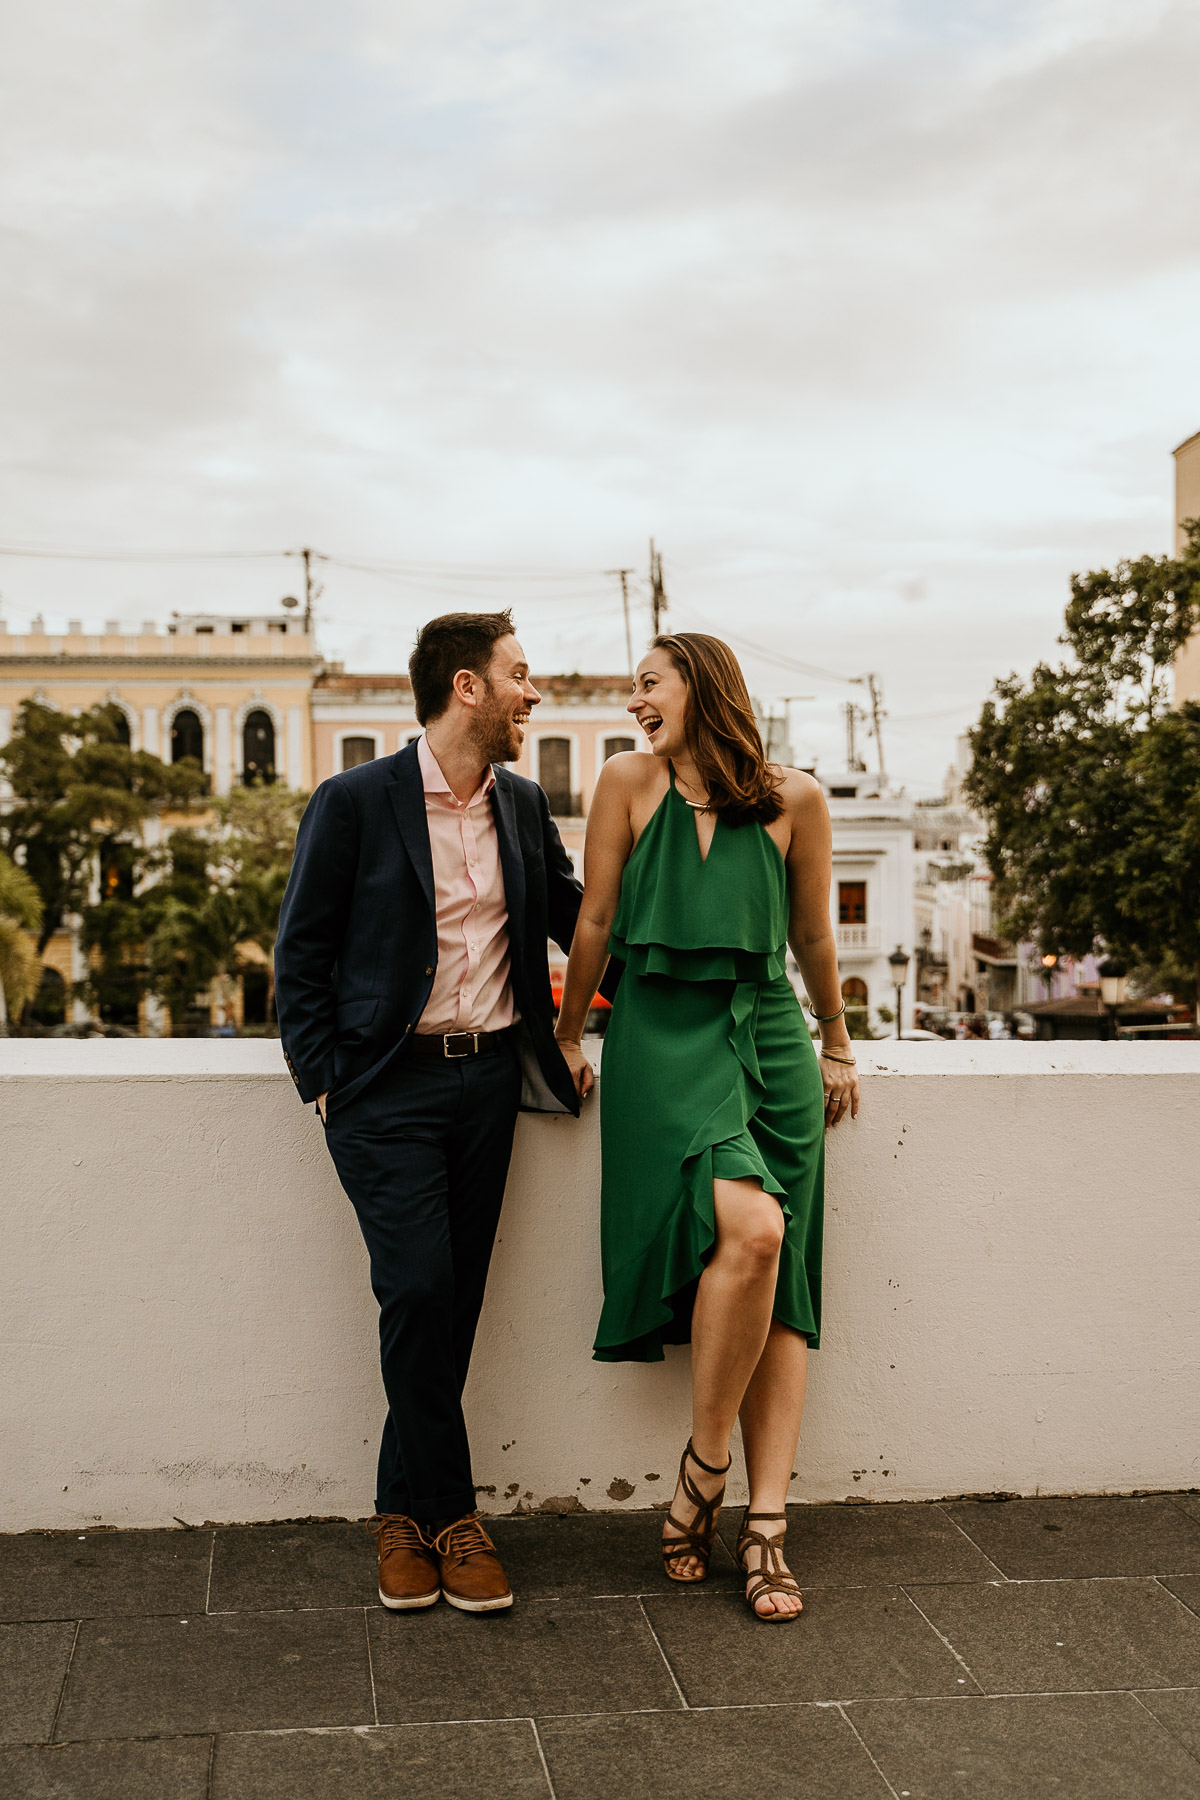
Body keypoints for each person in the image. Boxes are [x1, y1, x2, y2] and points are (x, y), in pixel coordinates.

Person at [275, 610, 605, 1615]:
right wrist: (323, 1078)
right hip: (386, 1088)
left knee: (448, 1304)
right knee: (417, 1287)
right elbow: (304, 952)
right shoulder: (356, 801)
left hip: (488, 1084)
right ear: (467, 687)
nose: (532, 693)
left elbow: (571, 911)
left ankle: (395, 1512)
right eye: (519, 675)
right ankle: (454, 1518)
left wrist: (682, 986)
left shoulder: (519, 803)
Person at [554, 633, 859, 1623]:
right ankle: (706, 1465)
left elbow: (813, 938)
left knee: (788, 1269)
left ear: (703, 685)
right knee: (755, 1231)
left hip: (768, 1034)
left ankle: (765, 1524)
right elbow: (594, 921)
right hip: (658, 1040)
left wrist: (840, 1048)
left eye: (650, 681)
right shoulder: (624, 784)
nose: (634, 698)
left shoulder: (794, 799)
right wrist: (568, 1038)